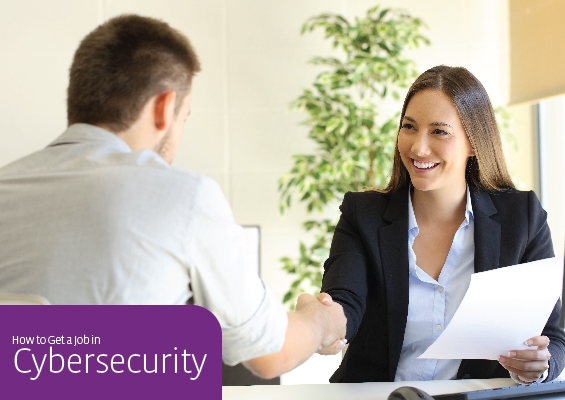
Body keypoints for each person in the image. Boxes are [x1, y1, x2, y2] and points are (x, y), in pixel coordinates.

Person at [0, 15, 346, 379]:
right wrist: (321, 320)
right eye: (185, 116)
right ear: (165, 108)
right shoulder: (184, 196)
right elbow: (269, 353)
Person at [318, 65, 565, 383]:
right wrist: (324, 324)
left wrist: (541, 366)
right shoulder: (362, 214)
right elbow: (344, 301)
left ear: (473, 143)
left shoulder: (523, 217)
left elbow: (552, 336)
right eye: (409, 127)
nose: (418, 148)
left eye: (439, 131)